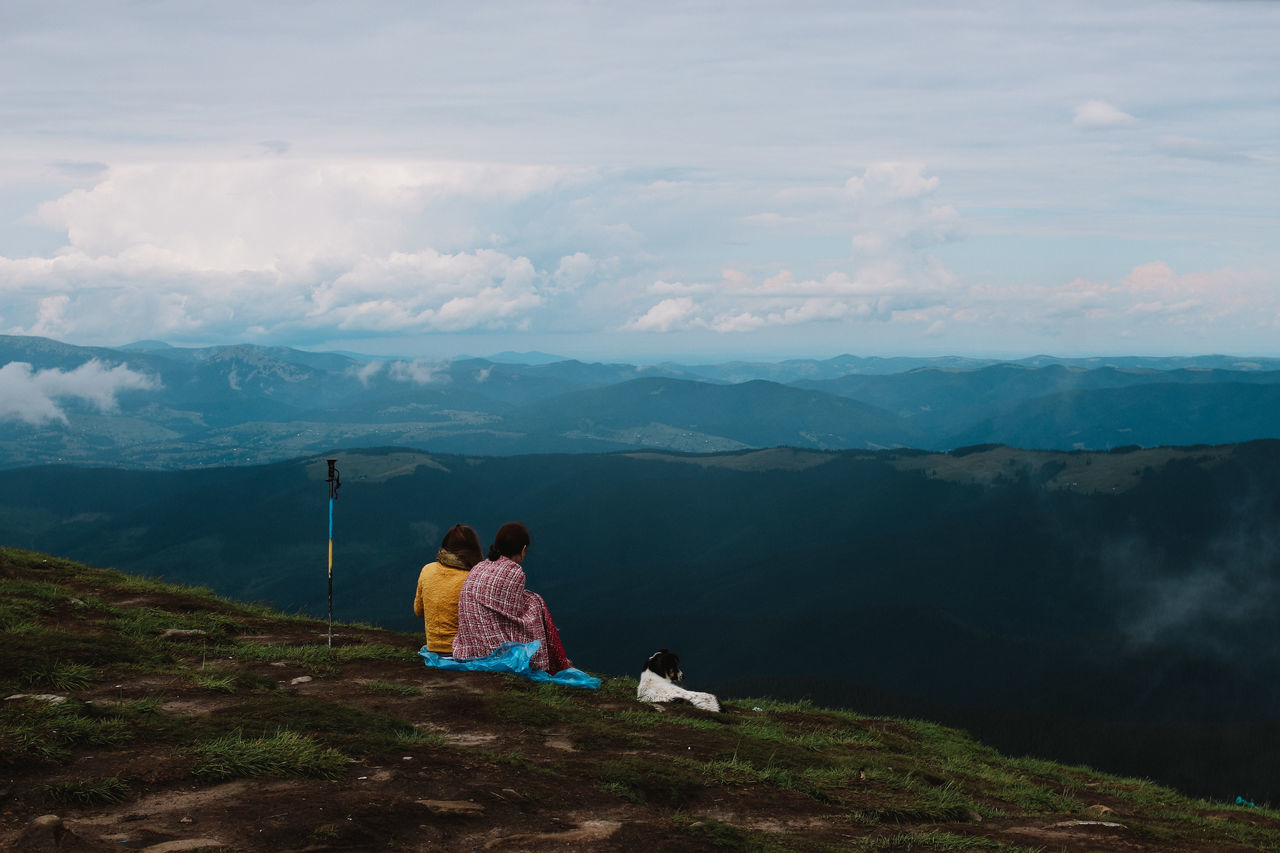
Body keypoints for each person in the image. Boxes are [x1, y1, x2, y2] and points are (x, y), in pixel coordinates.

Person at [452, 521, 572, 673]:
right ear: (523, 550)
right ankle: (547, 662)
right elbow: (513, 616)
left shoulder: (480, 566)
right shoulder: (514, 572)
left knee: (531, 599)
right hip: (492, 651)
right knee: (536, 603)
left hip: (469, 647)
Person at [413, 524, 484, 656]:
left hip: (433, 647)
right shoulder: (473, 576)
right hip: (463, 650)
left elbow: (418, 611)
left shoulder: (427, 570)